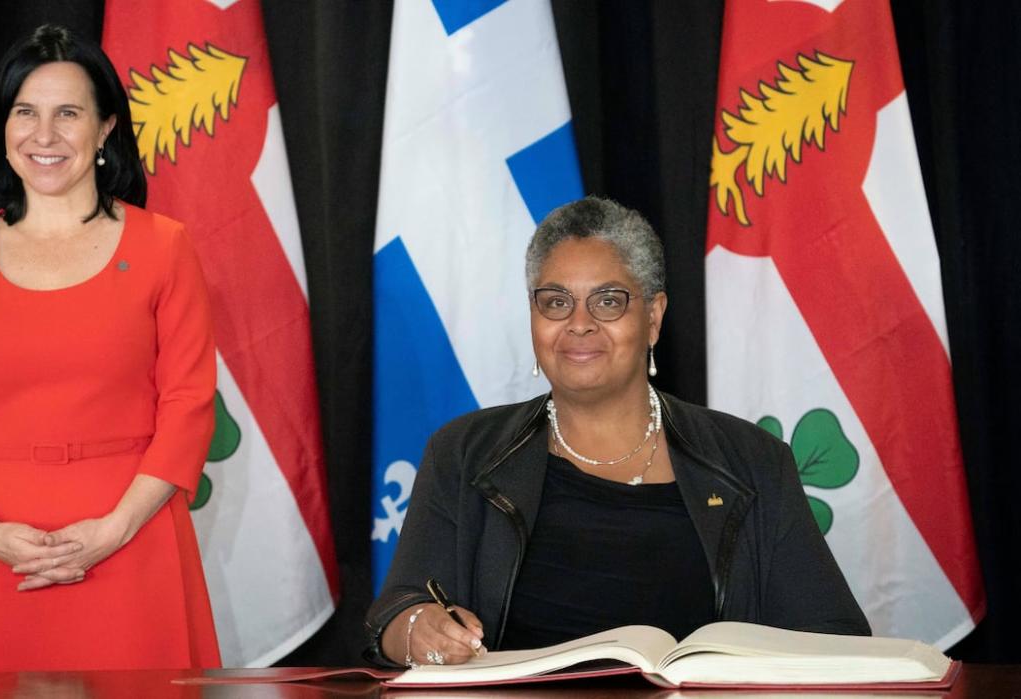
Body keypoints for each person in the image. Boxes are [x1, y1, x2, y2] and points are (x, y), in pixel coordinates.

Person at [365, 196, 870, 668]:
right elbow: (397, 610)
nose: (579, 324)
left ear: (653, 318)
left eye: (608, 302)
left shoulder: (753, 462)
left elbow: (833, 636)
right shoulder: (465, 453)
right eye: (556, 302)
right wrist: (416, 629)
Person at [0, 25, 219, 696]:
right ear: (2, 126)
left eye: (67, 112)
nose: (45, 134)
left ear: (105, 128)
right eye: (25, 111)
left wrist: (113, 529)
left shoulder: (165, 247)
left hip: (132, 545)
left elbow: (189, 405)